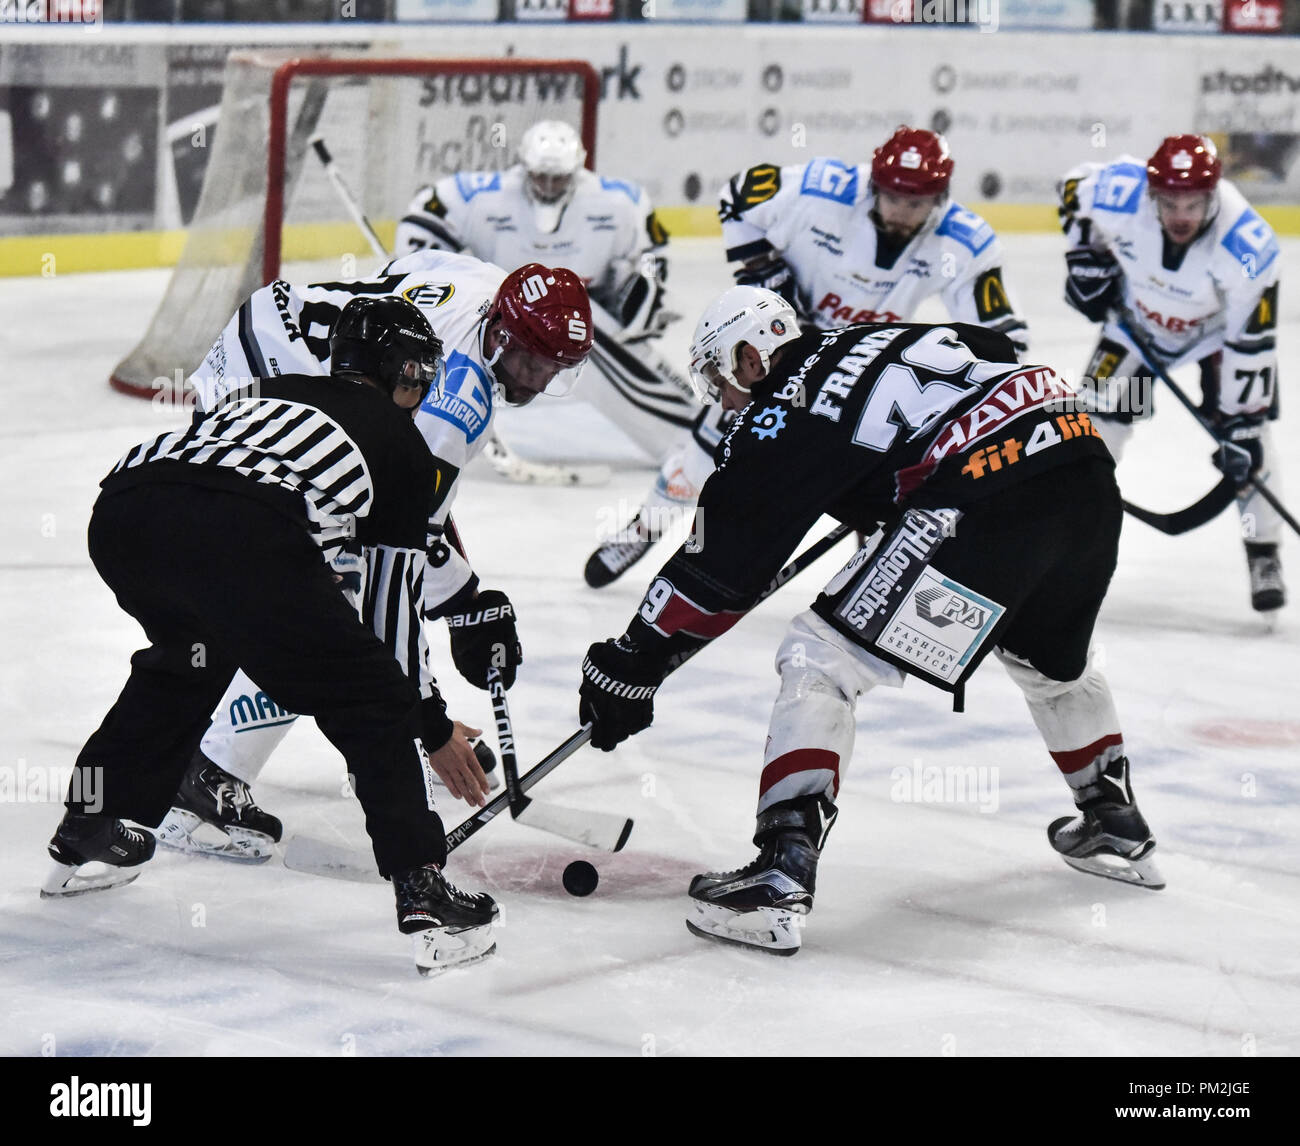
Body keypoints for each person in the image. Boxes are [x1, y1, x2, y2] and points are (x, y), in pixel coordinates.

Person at [576, 287, 1164, 957]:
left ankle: (779, 872)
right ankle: (1114, 819)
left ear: (748, 357)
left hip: (978, 497)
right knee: (1050, 661)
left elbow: (718, 566)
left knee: (819, 659)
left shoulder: (779, 415)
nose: (726, 405)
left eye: (721, 381)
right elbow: (996, 347)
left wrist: (632, 660)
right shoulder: (865, 337)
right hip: (1082, 470)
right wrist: (896, 480)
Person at [44, 298, 501, 974]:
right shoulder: (406, 448)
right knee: (371, 695)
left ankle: (89, 825)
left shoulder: (269, 388)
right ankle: (424, 889)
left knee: (185, 659)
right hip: (239, 529)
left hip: (125, 509)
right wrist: (430, 725)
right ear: (404, 370)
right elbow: (389, 625)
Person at [157, 250, 593, 861]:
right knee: (323, 598)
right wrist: (464, 616)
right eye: (527, 360)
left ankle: (370, 726)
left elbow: (405, 259)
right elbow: (405, 540)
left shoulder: (489, 284)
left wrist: (460, 615)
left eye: (555, 369)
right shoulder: (456, 401)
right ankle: (205, 772)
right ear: (498, 331)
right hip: (261, 386)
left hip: (274, 334)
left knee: (326, 586)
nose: (536, 380)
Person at [586, 125, 1035, 590]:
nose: (903, 212)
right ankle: (644, 529)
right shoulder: (825, 189)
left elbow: (1003, 333)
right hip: (779, 348)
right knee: (709, 453)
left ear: (940, 198)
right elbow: (738, 198)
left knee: (887, 472)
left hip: (865, 364)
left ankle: (873, 572)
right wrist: (765, 271)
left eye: (917, 203)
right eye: (894, 198)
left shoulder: (965, 241)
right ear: (874, 186)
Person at [394, 118, 728, 590]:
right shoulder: (478, 194)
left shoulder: (619, 201)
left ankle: (686, 464)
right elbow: (424, 220)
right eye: (540, 177)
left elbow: (652, 255)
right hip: (499, 328)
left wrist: (646, 293)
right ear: (523, 168)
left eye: (559, 178)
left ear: (579, 170)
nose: (549, 188)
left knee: (694, 434)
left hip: (584, 339)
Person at [1058, 134, 1284, 612]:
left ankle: (1263, 551)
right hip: (1135, 329)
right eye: (1170, 202)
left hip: (1215, 342)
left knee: (1247, 444)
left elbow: (1251, 340)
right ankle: (1068, 544)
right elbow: (1072, 187)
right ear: (1151, 194)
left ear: (1213, 195)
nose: (1181, 216)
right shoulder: (1120, 191)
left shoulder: (1248, 245)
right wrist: (1085, 257)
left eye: (1194, 203)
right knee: (1092, 430)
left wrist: (1240, 424)